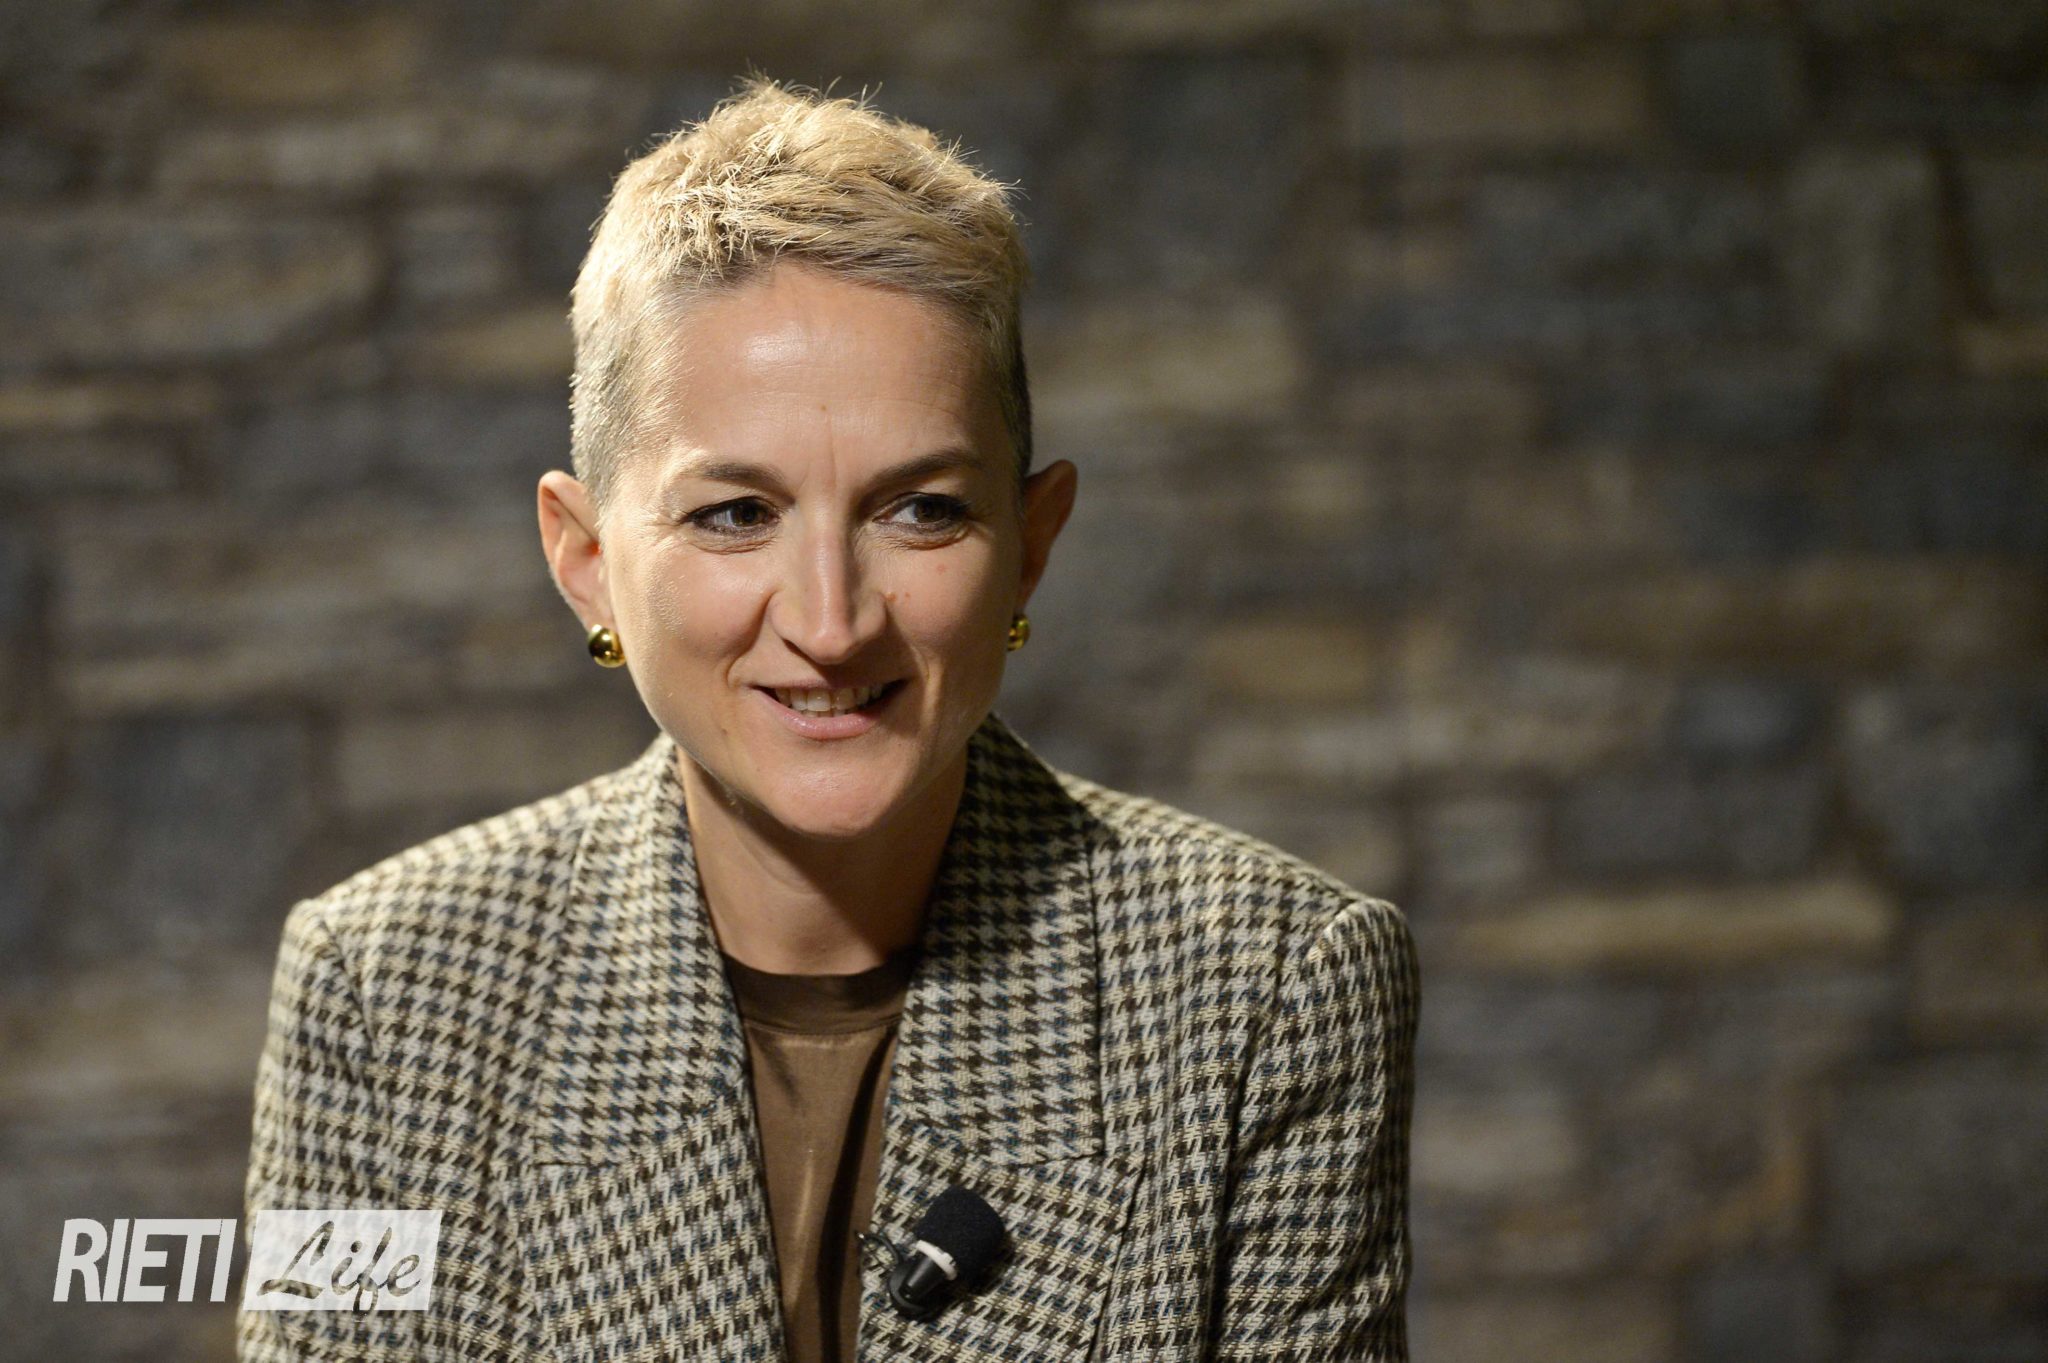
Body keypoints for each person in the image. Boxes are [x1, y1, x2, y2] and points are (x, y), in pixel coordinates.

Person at [239, 76, 1419, 1363]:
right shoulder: (379, 996)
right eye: (734, 514)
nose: (831, 620)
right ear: (585, 559)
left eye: (920, 509)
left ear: (1031, 544)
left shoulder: (1271, 990)